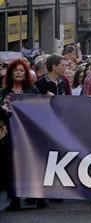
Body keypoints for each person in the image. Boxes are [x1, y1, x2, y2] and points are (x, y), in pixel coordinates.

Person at [1, 59, 43, 211]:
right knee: (13, 168)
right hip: (11, 135)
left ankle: (38, 198)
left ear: (26, 73)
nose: (18, 72)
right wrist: (3, 107)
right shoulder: (3, 92)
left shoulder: (33, 90)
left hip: (30, 135)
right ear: (11, 73)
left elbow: (41, 108)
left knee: (33, 165)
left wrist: (49, 98)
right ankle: (15, 200)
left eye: (21, 70)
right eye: (15, 70)